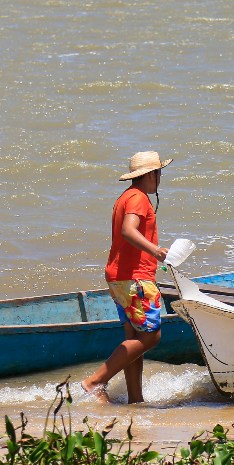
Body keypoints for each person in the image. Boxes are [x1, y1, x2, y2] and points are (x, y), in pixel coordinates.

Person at [82, 151, 172, 404]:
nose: (161, 177)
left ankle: (135, 399)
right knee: (151, 336)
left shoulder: (126, 197)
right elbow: (128, 230)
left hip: (120, 276)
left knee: (134, 339)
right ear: (151, 174)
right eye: (159, 172)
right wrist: (156, 250)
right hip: (135, 278)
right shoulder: (139, 199)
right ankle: (96, 381)